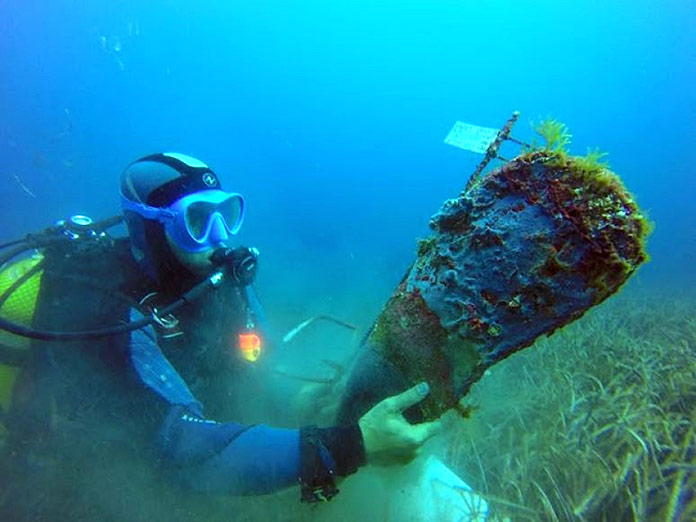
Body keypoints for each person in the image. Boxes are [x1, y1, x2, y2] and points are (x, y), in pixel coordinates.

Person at [0, 152, 441, 520]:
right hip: (79, 480)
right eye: (196, 220)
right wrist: (354, 445)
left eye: (225, 214)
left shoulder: (222, 283)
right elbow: (186, 452)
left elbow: (250, 375)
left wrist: (298, 402)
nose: (218, 237)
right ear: (150, 229)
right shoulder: (109, 311)